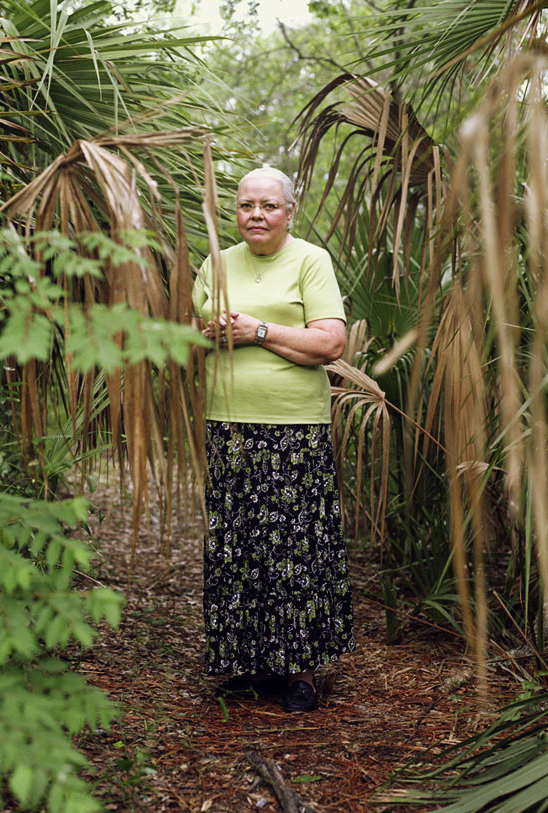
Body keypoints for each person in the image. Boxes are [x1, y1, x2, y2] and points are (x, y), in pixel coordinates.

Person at [191, 166, 355, 713]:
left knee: (296, 550)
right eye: (245, 206)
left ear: (290, 211)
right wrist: (277, 339)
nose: (256, 215)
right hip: (229, 424)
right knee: (238, 547)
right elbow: (199, 336)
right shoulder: (216, 263)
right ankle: (253, 664)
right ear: (234, 212)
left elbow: (331, 344)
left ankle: (302, 674)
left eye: (268, 206)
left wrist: (257, 331)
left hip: (295, 429)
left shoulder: (311, 260)